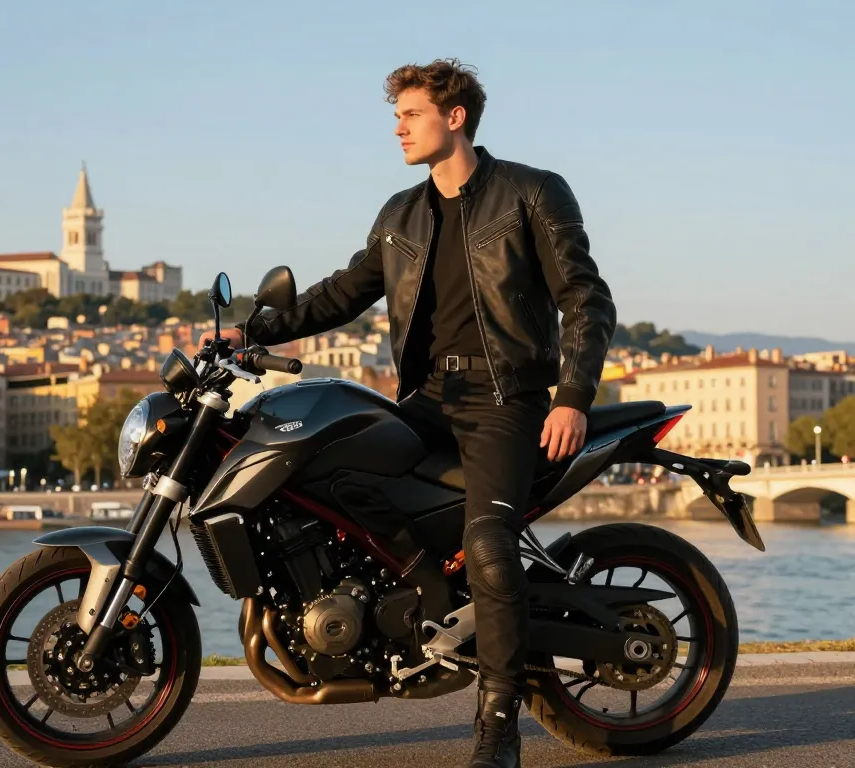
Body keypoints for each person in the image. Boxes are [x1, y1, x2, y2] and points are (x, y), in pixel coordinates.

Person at [201, 59, 616, 768]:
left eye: (411, 114)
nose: (398, 127)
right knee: (327, 476)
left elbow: (586, 298)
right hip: (425, 401)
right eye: (396, 115)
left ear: (454, 118)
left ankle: (498, 724)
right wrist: (253, 330)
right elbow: (340, 293)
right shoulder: (400, 216)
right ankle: (421, 592)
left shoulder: (530, 193)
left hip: (504, 401)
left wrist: (573, 396)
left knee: (490, 544)